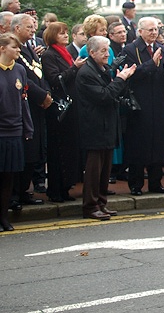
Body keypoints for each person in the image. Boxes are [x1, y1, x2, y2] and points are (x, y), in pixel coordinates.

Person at [76, 36, 136, 220]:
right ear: (91, 52)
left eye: (108, 49)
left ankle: (101, 203)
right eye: (103, 50)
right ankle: (90, 206)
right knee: (94, 170)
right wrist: (120, 79)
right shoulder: (86, 73)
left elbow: (115, 92)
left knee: (105, 169)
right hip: (94, 127)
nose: (107, 53)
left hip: (107, 125)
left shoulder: (103, 69)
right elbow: (104, 96)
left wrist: (123, 79)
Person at [121, 17, 164, 195]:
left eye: (156, 30)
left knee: (157, 144)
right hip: (140, 103)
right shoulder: (131, 49)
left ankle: (155, 183)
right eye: (150, 30)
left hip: (159, 103)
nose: (154, 33)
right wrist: (151, 64)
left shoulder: (162, 49)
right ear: (140, 31)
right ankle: (136, 184)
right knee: (139, 145)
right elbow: (132, 74)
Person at [40, 22, 86, 203]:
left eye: (66, 33)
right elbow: (55, 79)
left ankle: (66, 186)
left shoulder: (64, 52)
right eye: (61, 33)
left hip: (72, 107)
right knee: (59, 150)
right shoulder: (49, 55)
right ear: (52, 36)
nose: (65, 36)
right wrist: (74, 68)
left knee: (69, 149)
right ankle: (56, 189)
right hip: (59, 109)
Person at [11, 14, 52, 208]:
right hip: (26, 106)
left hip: (38, 107)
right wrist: (42, 96)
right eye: (28, 27)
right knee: (24, 152)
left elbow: (39, 74)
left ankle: (24, 191)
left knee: (33, 152)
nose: (32, 30)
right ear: (17, 28)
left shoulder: (31, 48)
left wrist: (47, 94)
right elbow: (23, 78)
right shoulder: (14, 49)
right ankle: (14, 194)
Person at [0, 33, 33, 231]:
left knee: (8, 179)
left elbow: (24, 101)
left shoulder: (19, 70)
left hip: (14, 131)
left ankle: (4, 217)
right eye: (14, 47)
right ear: (2, 48)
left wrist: (27, 127)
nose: (18, 51)